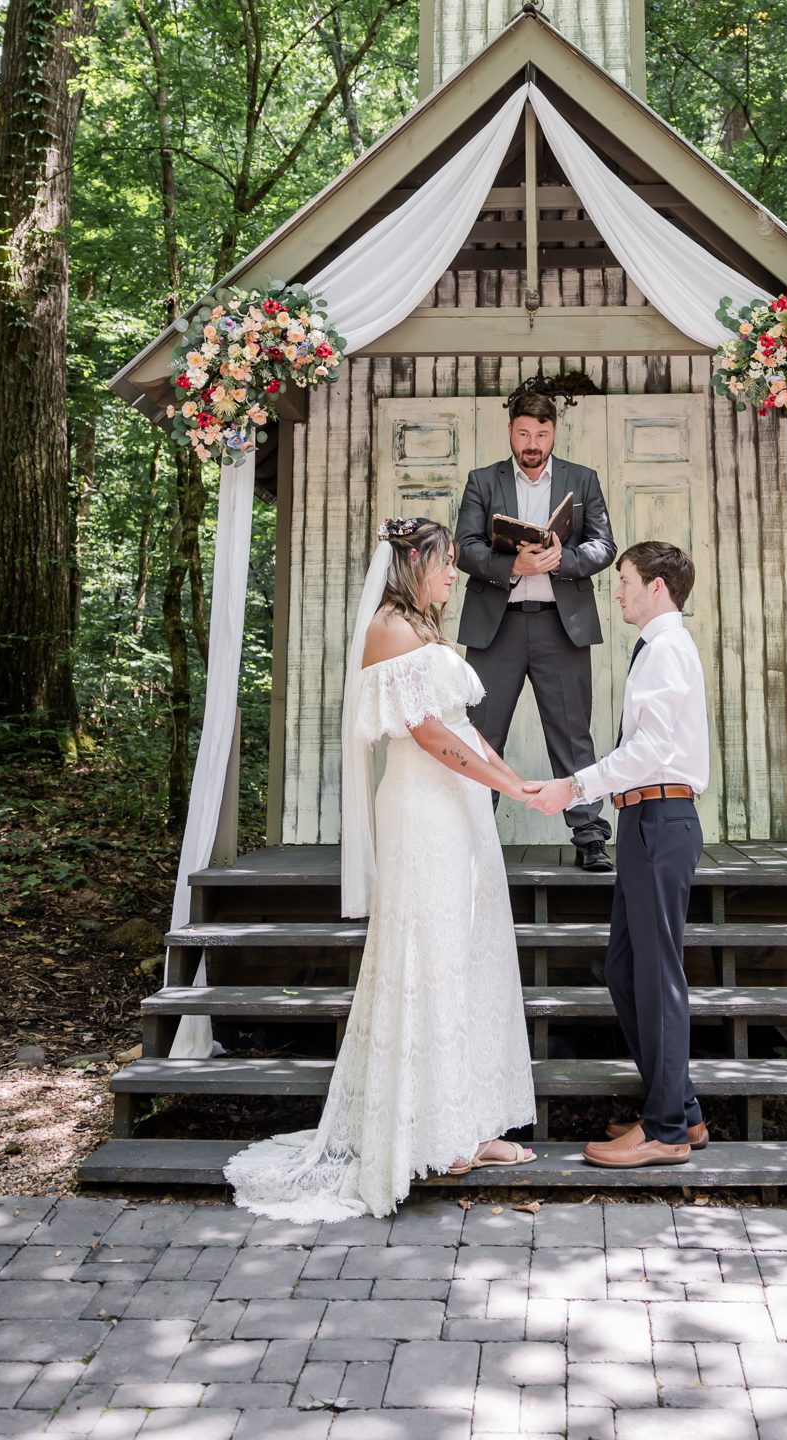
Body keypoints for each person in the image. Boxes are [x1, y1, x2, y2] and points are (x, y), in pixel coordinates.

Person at [225, 518, 537, 1223]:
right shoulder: (391, 631)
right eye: (447, 565)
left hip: (460, 805)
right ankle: (435, 1133)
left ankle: (469, 1126)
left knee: (464, 954)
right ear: (415, 564)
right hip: (422, 808)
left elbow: (461, 724)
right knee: (428, 953)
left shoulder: (425, 629)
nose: (454, 575)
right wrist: (505, 787)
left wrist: (510, 779)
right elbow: (427, 734)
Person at [526, 541, 709, 1166]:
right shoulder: (657, 650)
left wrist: (574, 786)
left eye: (625, 579)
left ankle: (663, 1132)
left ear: (657, 587)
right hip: (643, 821)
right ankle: (680, 1111)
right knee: (625, 969)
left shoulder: (665, 651)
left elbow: (649, 750)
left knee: (657, 978)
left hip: (660, 818)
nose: (618, 590)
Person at [456, 390, 617, 869]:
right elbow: (463, 547)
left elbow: (604, 546)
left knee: (572, 734)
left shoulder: (582, 480)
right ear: (510, 431)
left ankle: (590, 838)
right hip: (496, 627)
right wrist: (514, 564)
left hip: (560, 627)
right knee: (481, 735)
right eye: (524, 433)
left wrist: (560, 560)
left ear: (554, 433)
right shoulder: (482, 481)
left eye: (542, 434)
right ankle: (471, 835)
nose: (533, 443)